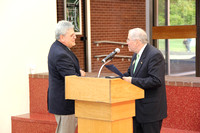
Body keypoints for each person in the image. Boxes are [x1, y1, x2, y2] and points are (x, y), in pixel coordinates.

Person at [122, 28, 167, 133]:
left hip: (150, 112)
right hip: (136, 110)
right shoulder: (136, 54)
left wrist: (132, 80)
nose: (126, 42)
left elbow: (156, 80)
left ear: (137, 42)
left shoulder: (154, 55)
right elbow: (130, 73)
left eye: (128, 39)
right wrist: (116, 78)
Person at [47, 20, 85, 133]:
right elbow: (71, 79)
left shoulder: (59, 48)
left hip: (63, 102)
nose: (75, 37)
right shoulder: (60, 53)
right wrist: (80, 74)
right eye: (72, 35)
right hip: (65, 104)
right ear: (62, 37)